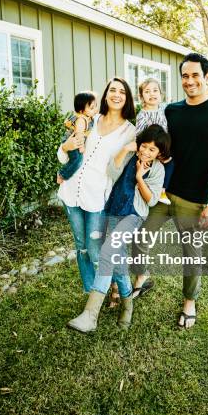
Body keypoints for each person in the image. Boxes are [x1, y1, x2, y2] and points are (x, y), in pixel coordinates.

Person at [132, 52, 208, 329]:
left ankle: (189, 302)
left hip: (194, 199)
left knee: (191, 253)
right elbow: (157, 143)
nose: (189, 81)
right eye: (185, 76)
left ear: (206, 77)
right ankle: (142, 279)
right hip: (164, 193)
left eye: (195, 75)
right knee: (140, 238)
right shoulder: (171, 110)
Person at [67, 124, 171, 333]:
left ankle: (90, 315)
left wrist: (140, 177)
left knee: (108, 253)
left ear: (160, 152)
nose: (146, 151)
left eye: (152, 149)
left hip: (133, 215)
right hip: (112, 210)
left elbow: (150, 201)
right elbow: (112, 172)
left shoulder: (158, 169)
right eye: (144, 146)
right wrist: (125, 150)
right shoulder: (130, 156)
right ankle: (127, 305)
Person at [57, 78, 136, 295]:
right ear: (106, 94)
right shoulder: (90, 118)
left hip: (96, 197)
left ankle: (113, 287)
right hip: (71, 192)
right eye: (112, 90)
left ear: (127, 98)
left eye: (122, 91)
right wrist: (65, 147)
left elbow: (115, 172)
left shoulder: (129, 131)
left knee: (95, 250)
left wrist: (125, 151)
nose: (116, 94)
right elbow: (65, 153)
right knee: (81, 247)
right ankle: (91, 292)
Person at [135, 78, 174, 206]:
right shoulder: (143, 114)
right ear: (141, 97)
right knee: (154, 169)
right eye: (147, 91)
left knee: (169, 163)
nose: (152, 94)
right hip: (150, 148)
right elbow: (139, 135)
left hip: (162, 146)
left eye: (155, 90)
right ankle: (154, 192)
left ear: (161, 95)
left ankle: (162, 190)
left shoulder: (164, 109)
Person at [57, 91, 97, 183]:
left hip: (74, 142)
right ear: (81, 111)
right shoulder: (82, 120)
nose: (95, 109)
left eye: (95, 106)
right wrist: (81, 147)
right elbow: (79, 134)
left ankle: (63, 174)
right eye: (91, 108)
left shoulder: (89, 117)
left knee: (76, 160)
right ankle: (62, 174)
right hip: (74, 142)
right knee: (77, 160)